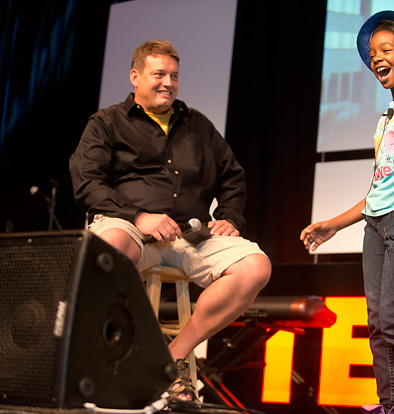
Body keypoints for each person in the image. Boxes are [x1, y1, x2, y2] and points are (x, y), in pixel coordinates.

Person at [69, 40, 271, 403]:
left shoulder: (198, 124)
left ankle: (169, 358)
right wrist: (140, 217)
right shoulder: (107, 122)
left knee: (255, 266)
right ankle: (117, 358)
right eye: (159, 74)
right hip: (127, 224)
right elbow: (87, 183)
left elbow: (233, 177)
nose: (168, 82)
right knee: (112, 248)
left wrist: (229, 216)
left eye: (174, 76)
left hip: (189, 234)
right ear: (135, 76)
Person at [300, 11, 394, 414]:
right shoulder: (384, 118)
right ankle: (392, 404)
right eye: (371, 53)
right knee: (379, 320)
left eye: (386, 49)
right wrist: (333, 225)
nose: (375, 57)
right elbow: (377, 190)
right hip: (376, 223)